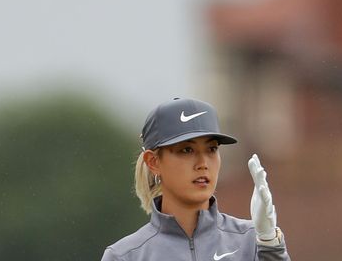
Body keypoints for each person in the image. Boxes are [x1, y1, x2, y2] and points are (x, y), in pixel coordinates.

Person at [101, 97, 290, 261]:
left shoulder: (252, 241)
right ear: (153, 162)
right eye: (187, 150)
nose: (203, 163)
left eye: (211, 149)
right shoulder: (125, 256)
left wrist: (269, 244)